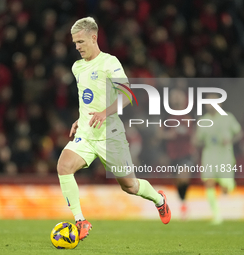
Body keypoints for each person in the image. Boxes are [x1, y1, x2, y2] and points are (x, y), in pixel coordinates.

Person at [57, 17, 171, 241]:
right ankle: (80, 221)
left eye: (80, 41)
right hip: (87, 134)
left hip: (110, 135)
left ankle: (159, 200)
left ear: (93, 37)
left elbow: (127, 95)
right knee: (63, 166)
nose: (77, 47)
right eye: (74, 43)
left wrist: (104, 113)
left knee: (130, 186)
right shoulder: (77, 67)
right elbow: (87, 100)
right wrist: (80, 119)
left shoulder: (110, 63)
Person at [194, 93, 243, 224]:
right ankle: (216, 215)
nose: (210, 105)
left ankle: (230, 186)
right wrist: (197, 141)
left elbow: (239, 133)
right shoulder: (203, 120)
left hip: (225, 157)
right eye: (208, 102)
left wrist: (230, 140)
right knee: (209, 183)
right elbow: (197, 140)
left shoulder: (228, 117)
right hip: (209, 155)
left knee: (226, 188)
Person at [161, 88, 195, 220]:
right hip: (172, 154)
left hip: (186, 153)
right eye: (173, 96)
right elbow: (159, 134)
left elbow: (195, 133)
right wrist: (168, 135)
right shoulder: (166, 116)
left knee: (183, 176)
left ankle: (184, 204)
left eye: (178, 96)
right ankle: (182, 203)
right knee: (178, 181)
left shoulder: (190, 115)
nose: (176, 99)